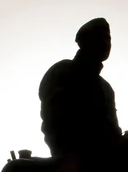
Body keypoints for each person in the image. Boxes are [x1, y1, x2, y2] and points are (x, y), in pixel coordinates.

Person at [38, 18, 121, 159]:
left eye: (108, 38)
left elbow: (112, 128)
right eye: (99, 37)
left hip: (106, 153)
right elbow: (55, 120)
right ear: (83, 42)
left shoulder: (106, 88)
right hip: (73, 155)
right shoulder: (63, 71)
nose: (105, 43)